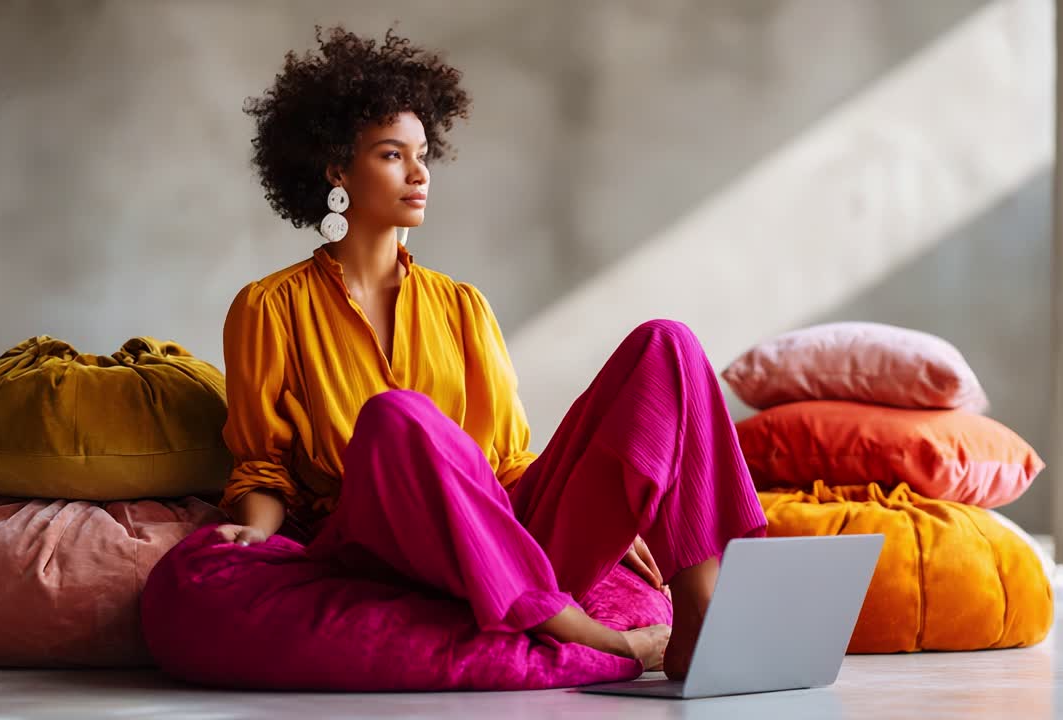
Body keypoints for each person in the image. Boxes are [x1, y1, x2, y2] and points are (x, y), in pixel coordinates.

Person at [210, 25, 767, 681]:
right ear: (337, 170)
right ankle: (597, 639)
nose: (420, 174)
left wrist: (611, 527)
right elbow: (264, 466)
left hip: (503, 541)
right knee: (397, 416)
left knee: (667, 345)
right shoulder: (269, 307)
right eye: (392, 155)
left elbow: (505, 460)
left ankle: (701, 609)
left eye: (423, 154)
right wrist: (255, 530)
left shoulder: (462, 305)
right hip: (381, 547)